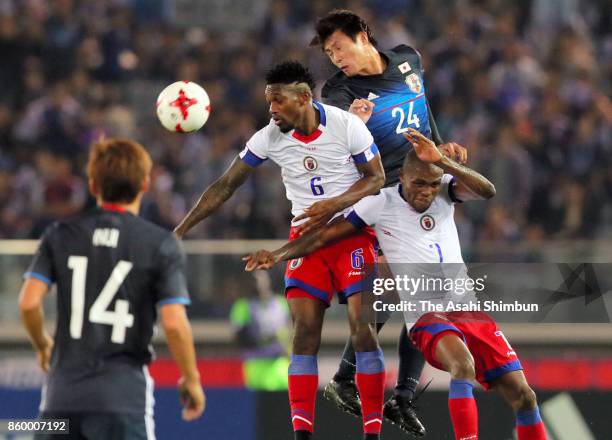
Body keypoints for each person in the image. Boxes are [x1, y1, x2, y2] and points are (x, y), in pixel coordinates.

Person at [244, 128, 547, 440]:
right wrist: (279, 254)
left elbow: (488, 191)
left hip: (469, 311)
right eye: (418, 183)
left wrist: (443, 161)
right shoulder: (380, 203)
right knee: (463, 366)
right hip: (428, 318)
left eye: (432, 184)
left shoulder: (445, 191)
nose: (426, 192)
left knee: (525, 397)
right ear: (401, 177)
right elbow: (326, 235)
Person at [174, 61, 387, 440]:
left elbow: (377, 179)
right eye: (268, 102)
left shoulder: (345, 125)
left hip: (353, 231)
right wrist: (179, 231)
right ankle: (302, 434)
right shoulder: (269, 137)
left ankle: (372, 431)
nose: (271, 110)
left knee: (362, 328)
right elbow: (225, 186)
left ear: (303, 98)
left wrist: (334, 202)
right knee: (304, 331)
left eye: (277, 101)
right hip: (306, 236)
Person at [309, 9, 467, 435]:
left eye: (338, 47)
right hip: (380, 196)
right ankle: (348, 378)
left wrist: (441, 152)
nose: (335, 58)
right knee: (403, 285)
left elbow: (423, 114)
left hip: (425, 187)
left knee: (424, 290)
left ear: (362, 36)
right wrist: (351, 128)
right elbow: (329, 155)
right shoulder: (338, 93)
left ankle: (396, 393)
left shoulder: (407, 60)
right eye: (329, 52)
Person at [19, 138, 205, 440]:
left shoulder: (60, 234)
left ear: (93, 185)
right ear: (144, 184)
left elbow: (28, 303)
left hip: (59, 399)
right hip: (122, 400)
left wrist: (42, 345)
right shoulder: (160, 244)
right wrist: (191, 378)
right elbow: (173, 322)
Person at [230, 271, 291, 391]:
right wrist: (261, 340)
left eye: (261, 279)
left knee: (283, 404)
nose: (258, 283)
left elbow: (288, 332)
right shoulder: (242, 306)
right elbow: (238, 338)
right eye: (254, 280)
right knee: (260, 404)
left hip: (279, 364)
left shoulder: (281, 303)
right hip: (256, 364)